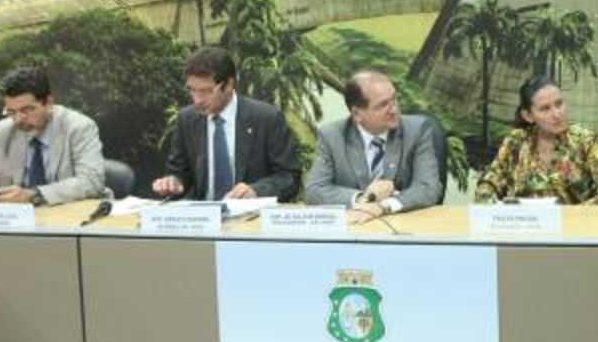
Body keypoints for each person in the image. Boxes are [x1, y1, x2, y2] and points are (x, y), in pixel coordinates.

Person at [152, 47, 300, 201]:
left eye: (205, 91)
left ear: (228, 85)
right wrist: (174, 182)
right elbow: (179, 173)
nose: (197, 100)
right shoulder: (187, 119)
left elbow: (289, 178)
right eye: (192, 90)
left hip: (250, 218)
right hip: (203, 218)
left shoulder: (266, 118)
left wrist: (257, 191)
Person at [0, 66, 105, 205]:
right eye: (11, 112)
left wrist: (35, 195)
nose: (18, 119)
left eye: (27, 110)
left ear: (48, 103)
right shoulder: (1, 131)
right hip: (16, 220)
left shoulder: (78, 127)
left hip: (69, 216)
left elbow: (91, 181)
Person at [305, 70, 441, 217]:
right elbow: (315, 190)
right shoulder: (331, 136)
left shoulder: (417, 131)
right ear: (357, 114)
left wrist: (384, 206)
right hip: (354, 226)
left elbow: (428, 188)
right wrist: (364, 198)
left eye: (394, 99)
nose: (394, 110)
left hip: (404, 225)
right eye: (383, 105)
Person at [474, 75, 598, 204]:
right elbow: (489, 182)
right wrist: (487, 203)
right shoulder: (515, 142)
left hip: (573, 227)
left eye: (559, 104)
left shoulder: (584, 141)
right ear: (528, 116)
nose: (556, 114)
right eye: (545, 109)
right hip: (525, 227)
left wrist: (578, 212)